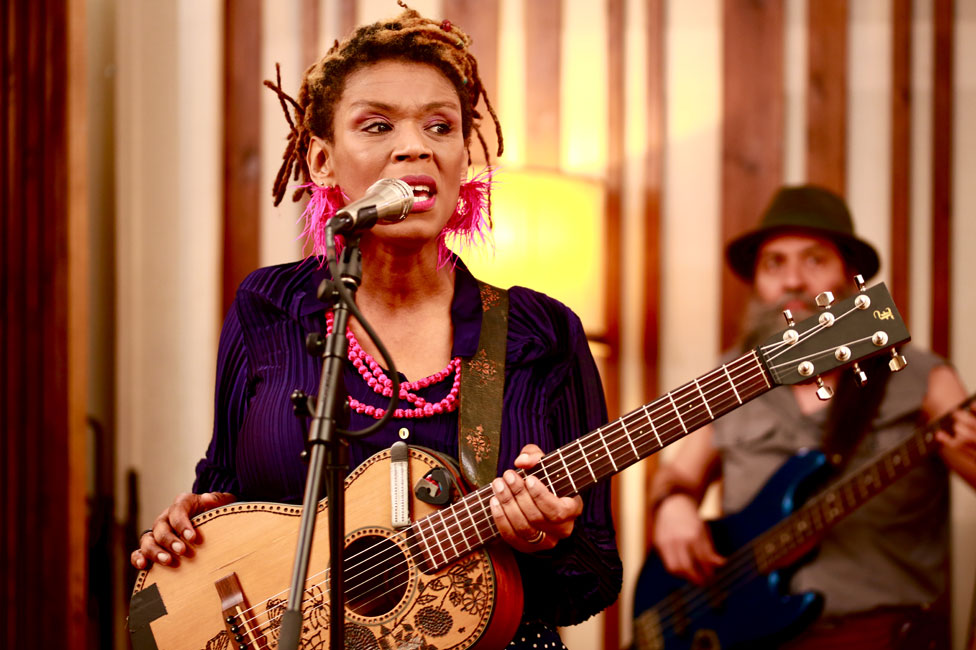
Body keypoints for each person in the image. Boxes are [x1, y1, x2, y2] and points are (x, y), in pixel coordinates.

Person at [130, 4, 622, 648]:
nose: (415, 145)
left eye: (441, 126)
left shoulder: (541, 331)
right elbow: (227, 497)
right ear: (322, 161)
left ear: (464, 157)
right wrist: (188, 528)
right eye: (378, 124)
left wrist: (545, 539)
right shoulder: (268, 306)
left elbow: (596, 575)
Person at [647, 185, 976, 649]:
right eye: (774, 263)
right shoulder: (729, 380)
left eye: (814, 260)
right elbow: (677, 476)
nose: (793, 281)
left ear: (850, 275)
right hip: (749, 638)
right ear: (758, 283)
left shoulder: (922, 376)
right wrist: (672, 506)